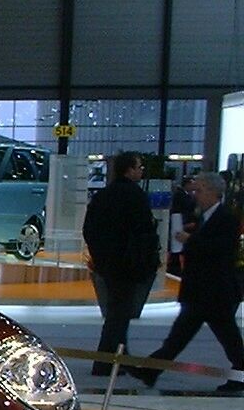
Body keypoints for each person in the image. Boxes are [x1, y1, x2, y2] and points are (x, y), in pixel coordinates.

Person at [132, 172, 244, 394]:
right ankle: (150, 369)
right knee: (181, 336)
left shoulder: (226, 218)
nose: (196, 194)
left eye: (200, 190)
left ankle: (151, 369)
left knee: (225, 339)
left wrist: (190, 240)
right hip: (202, 291)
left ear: (213, 192)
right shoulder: (203, 217)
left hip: (216, 292)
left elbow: (220, 250)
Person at [82, 151, 160, 377]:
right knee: (118, 314)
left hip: (108, 264)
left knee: (119, 311)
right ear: (130, 169)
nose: (141, 170)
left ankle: (119, 358)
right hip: (128, 266)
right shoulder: (135, 196)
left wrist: (100, 256)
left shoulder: (103, 196)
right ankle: (104, 363)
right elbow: (144, 233)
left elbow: (89, 229)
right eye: (139, 167)